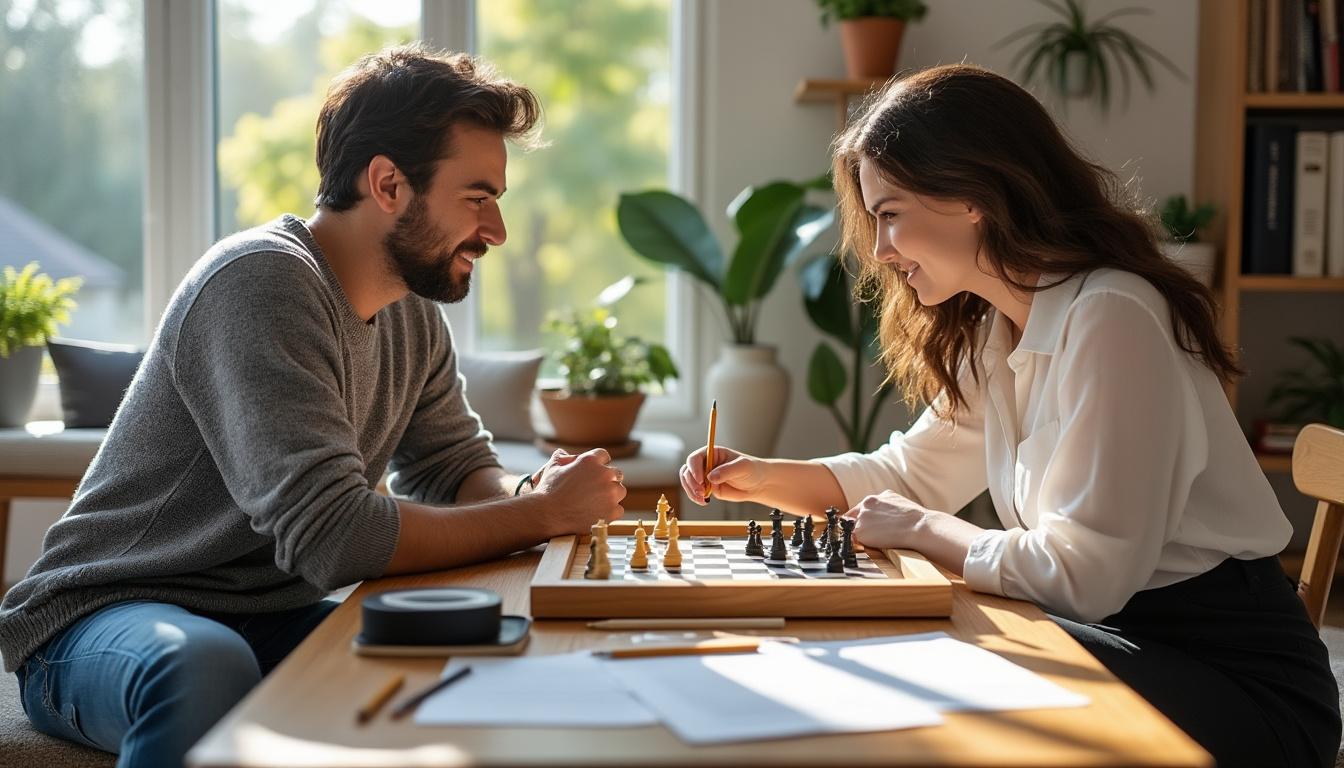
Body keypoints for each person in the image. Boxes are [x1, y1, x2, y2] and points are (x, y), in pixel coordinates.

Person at [681, 64, 1339, 767]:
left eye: (890, 214)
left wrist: (932, 532)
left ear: (972, 196)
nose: (879, 251)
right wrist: (756, 477)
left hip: (1236, 686)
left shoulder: (1112, 315)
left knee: (934, 658)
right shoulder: (997, 330)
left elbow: (1084, 577)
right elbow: (905, 475)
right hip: (1114, 640)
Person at [0, 44, 625, 766]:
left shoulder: (411, 315)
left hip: (266, 615)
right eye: (477, 198)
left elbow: (453, 468)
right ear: (388, 184)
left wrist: (532, 493)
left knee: (455, 663)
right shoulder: (259, 282)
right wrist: (541, 514)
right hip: (103, 617)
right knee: (201, 665)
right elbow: (336, 538)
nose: (496, 232)